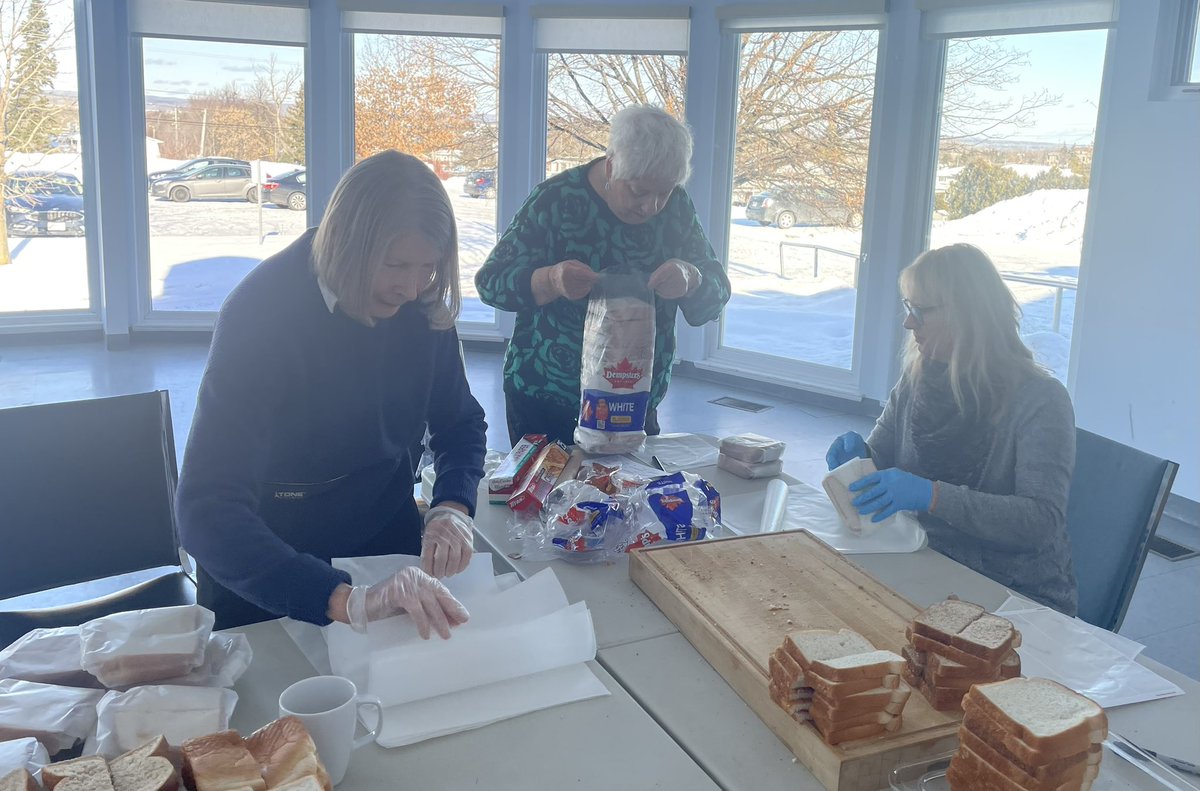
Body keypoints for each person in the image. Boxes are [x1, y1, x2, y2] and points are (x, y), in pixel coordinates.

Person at [176, 150, 488, 638]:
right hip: (270, 575)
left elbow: (460, 422)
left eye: (428, 266)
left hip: (385, 546)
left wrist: (453, 505)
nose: (410, 286)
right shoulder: (261, 315)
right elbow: (206, 511)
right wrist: (345, 600)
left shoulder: (420, 303)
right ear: (347, 243)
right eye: (395, 264)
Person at [826, 244, 1078, 614]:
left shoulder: (1040, 399)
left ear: (967, 316)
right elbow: (881, 456)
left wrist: (932, 496)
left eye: (919, 311)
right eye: (907, 308)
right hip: (925, 559)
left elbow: (1040, 521)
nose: (908, 323)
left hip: (1013, 591)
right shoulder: (919, 378)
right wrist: (859, 460)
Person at [475, 105, 731, 445]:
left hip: (632, 400)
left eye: (664, 192)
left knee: (627, 496)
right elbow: (492, 282)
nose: (651, 206)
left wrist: (691, 277)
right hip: (548, 397)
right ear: (611, 167)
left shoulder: (677, 209)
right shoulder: (556, 200)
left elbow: (715, 294)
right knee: (543, 496)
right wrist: (551, 279)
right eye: (639, 191)